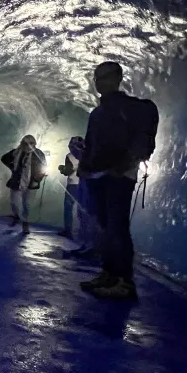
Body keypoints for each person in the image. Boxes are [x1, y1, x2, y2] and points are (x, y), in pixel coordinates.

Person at [78, 61, 159, 300]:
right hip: (99, 175)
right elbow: (91, 143)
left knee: (117, 227)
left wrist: (124, 165)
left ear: (117, 78)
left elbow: (141, 138)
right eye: (96, 78)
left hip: (119, 176)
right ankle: (109, 273)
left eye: (104, 77)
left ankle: (124, 281)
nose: (99, 82)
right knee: (106, 226)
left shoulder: (132, 108)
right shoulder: (97, 113)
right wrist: (84, 166)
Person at [1, 135, 47, 233]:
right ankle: (17, 216)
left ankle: (25, 223)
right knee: (14, 202)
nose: (29, 145)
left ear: (34, 144)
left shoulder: (38, 153)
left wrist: (38, 178)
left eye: (31, 143)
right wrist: (13, 168)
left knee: (27, 205)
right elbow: (4, 158)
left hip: (31, 183)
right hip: (17, 181)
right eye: (26, 143)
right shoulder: (17, 152)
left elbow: (44, 166)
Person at [57, 136, 84, 239]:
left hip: (72, 185)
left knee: (68, 208)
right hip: (84, 184)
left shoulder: (70, 156)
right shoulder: (87, 155)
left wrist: (61, 169)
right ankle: (83, 232)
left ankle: (68, 231)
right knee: (82, 209)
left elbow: (68, 171)